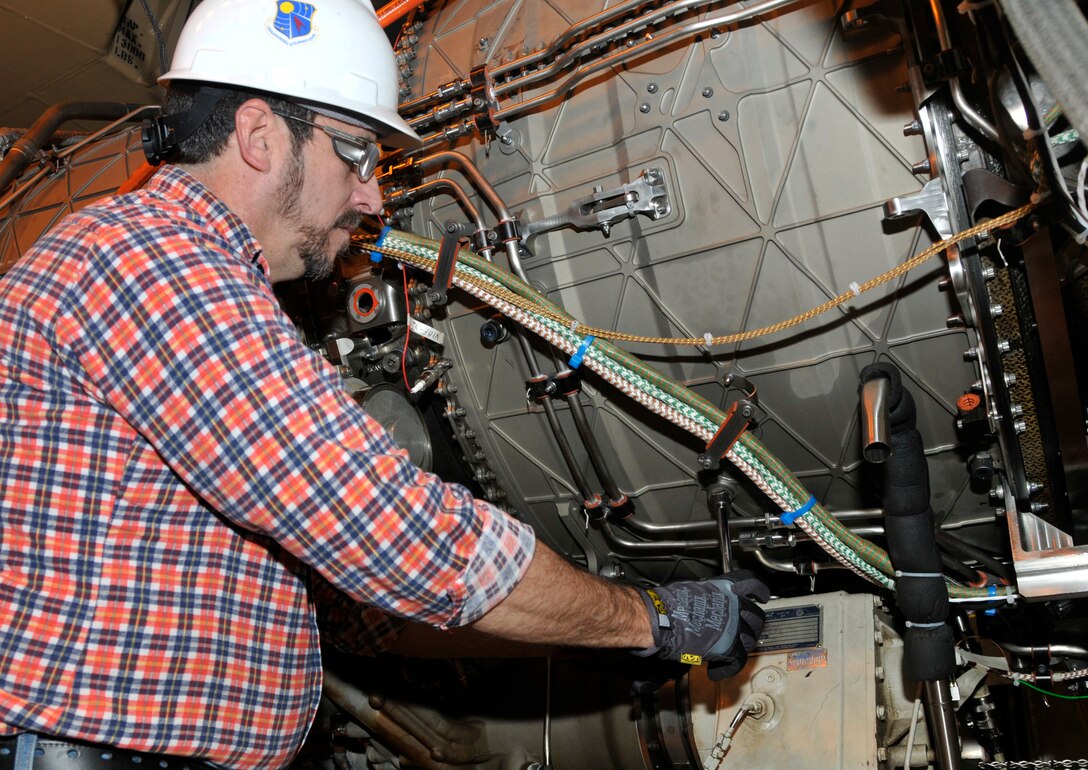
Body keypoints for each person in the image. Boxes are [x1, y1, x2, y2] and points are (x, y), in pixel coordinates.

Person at [0, 1, 768, 768]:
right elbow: (390, 529)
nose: (371, 196)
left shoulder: (188, 281)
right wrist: (652, 619)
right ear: (260, 136)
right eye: (358, 155)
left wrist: (604, 638)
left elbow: (365, 611)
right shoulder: (151, 264)